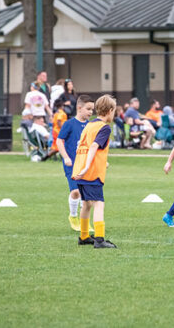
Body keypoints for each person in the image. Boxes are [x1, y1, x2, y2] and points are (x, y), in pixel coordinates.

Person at [71, 94, 117, 248]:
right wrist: (87, 167)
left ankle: (84, 236)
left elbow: (82, 146)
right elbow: (94, 146)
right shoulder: (104, 128)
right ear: (110, 111)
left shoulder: (89, 125)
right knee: (98, 204)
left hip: (80, 171)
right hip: (90, 173)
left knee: (86, 204)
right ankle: (99, 239)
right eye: (114, 111)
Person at [56, 95, 94, 231]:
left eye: (92, 109)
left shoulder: (90, 126)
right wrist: (66, 157)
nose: (91, 112)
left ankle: (84, 222)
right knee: (76, 192)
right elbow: (59, 141)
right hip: (72, 164)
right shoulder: (69, 124)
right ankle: (73, 216)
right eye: (88, 109)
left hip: (86, 165)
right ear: (79, 108)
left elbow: (94, 145)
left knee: (86, 195)